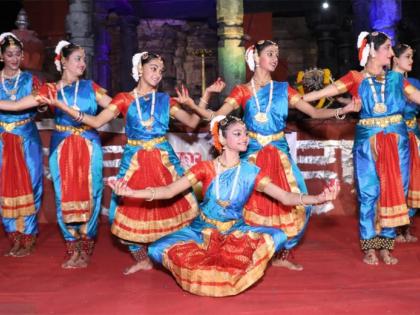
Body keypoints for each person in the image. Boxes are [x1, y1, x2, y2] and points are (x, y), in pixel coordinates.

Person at [108, 115, 339, 297]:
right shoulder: (205, 168)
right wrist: (131, 192)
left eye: (245, 134)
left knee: (277, 236)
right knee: (157, 249)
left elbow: (287, 198)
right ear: (223, 139)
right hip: (202, 229)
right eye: (237, 134)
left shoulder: (251, 171)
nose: (245, 138)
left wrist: (319, 198)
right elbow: (168, 191)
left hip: (235, 230)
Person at [180, 40, 358, 270]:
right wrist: (195, 104)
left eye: (277, 54)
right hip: (252, 153)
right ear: (256, 58)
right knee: (249, 204)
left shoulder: (284, 90)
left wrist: (342, 110)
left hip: (279, 152)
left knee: (295, 201)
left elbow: (312, 111)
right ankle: (252, 251)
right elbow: (215, 115)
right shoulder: (242, 91)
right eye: (270, 54)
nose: (275, 58)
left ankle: (281, 255)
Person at [44, 51, 225, 274]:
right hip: (135, 160)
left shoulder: (165, 101)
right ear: (140, 70)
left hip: (163, 159)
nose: (158, 74)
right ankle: (142, 259)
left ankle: (179, 256)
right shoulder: (124, 99)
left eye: (161, 70)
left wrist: (204, 95)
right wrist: (63, 107)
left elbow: (192, 122)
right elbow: (97, 121)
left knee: (177, 207)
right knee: (123, 212)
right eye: (153, 68)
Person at [303, 31, 420, 265]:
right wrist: (297, 99)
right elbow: (328, 92)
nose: (391, 52)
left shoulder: (398, 79)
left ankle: (386, 246)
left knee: (394, 192)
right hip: (368, 143)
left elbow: (417, 96)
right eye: (387, 48)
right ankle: (369, 247)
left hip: (397, 143)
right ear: (373, 52)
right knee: (369, 193)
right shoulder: (355, 78)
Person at [0, 40, 113, 268]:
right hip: (62, 148)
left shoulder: (91, 87)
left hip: (89, 145)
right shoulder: (50, 89)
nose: (83, 63)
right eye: (78, 59)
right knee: (63, 196)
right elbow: (17, 105)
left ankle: (85, 246)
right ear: (63, 62)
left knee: (92, 194)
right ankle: (72, 246)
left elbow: (115, 107)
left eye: (84, 59)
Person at [0, 32, 42, 257]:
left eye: (18, 54)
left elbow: (42, 104)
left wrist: (45, 104)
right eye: (9, 54)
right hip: (2, 141)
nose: (14, 59)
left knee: (32, 184)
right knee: (3, 187)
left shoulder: (31, 80)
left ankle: (29, 236)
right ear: (1, 56)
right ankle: (14, 237)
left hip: (27, 137)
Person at [392, 43, 420, 242]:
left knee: (414, 180)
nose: (411, 60)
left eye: (412, 57)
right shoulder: (384, 82)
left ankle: (406, 227)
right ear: (395, 58)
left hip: (414, 136)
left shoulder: (416, 83)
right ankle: (391, 228)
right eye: (407, 56)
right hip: (393, 137)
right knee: (396, 180)